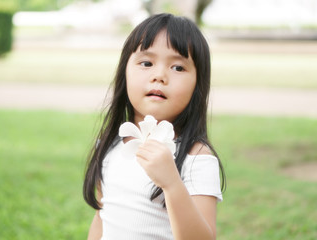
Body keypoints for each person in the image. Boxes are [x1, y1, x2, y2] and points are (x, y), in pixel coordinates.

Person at [83, 13, 226, 240]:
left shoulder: (196, 156)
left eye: (178, 68)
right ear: (124, 72)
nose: (159, 75)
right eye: (146, 63)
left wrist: (171, 184)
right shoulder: (111, 145)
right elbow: (102, 218)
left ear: (197, 85)